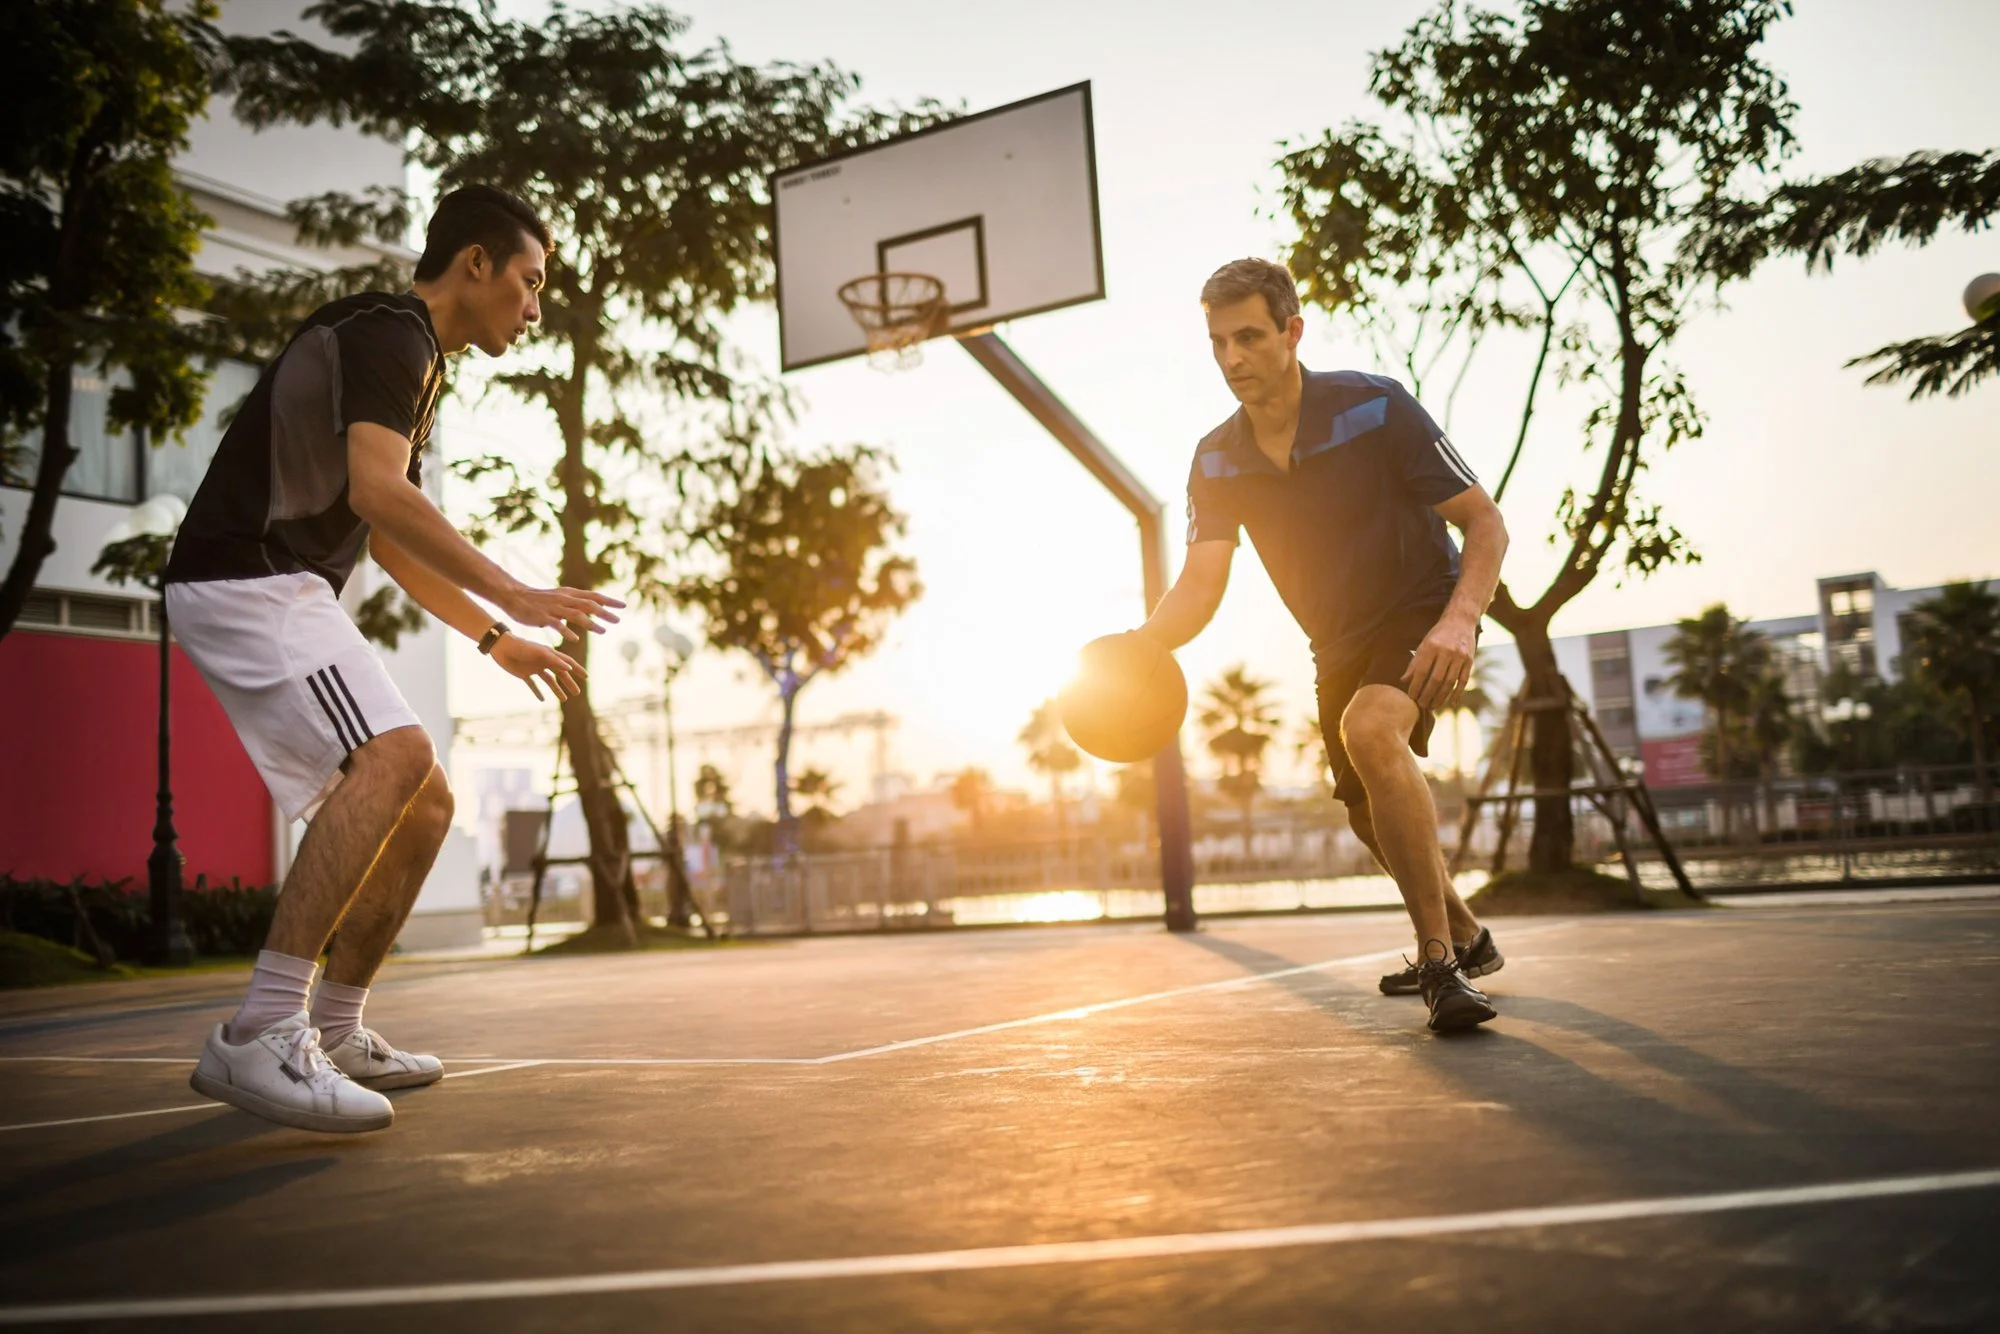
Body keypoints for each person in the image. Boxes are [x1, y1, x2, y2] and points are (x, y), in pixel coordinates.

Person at [162, 186, 623, 1131]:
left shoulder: (411, 361)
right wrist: (516, 590)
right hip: (248, 576)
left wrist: (495, 638)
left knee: (428, 800)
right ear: (477, 265)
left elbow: (392, 542)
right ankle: (263, 1031)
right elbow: (381, 495)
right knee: (398, 757)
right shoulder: (391, 334)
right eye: (530, 283)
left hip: (279, 585)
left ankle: (335, 1026)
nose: (535, 309)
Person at [1137, 258, 1510, 1033]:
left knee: (1371, 729)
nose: (1232, 358)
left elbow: (1485, 521)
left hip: (1420, 605)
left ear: (1292, 332)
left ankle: (1438, 964)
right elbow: (1200, 587)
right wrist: (1136, 650)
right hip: (1334, 640)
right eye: (1217, 343)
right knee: (1364, 812)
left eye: (1248, 337)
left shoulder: (1376, 407)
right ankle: (1470, 937)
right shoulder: (1216, 458)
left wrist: (1460, 619)